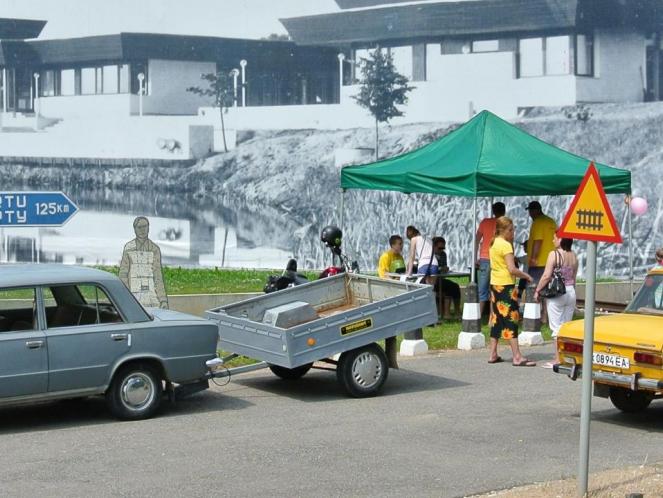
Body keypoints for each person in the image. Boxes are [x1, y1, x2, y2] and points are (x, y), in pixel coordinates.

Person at [488, 216, 535, 366]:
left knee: (496, 319)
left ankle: (493, 353)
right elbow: (512, 268)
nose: (513, 232)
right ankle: (517, 356)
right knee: (511, 319)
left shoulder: (493, 242)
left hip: (495, 284)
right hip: (506, 285)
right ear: (504, 230)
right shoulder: (506, 245)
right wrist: (526, 275)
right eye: (511, 230)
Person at [534, 233, 578, 368]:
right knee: (566, 326)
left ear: (561, 239)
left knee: (556, 328)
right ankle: (566, 358)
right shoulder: (574, 255)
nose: (553, 240)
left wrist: (538, 290)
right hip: (571, 291)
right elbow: (574, 277)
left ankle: (558, 359)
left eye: (555, 237)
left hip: (557, 293)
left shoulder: (554, 254)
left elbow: (547, 275)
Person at [119, 216, 169, 309]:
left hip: (152, 297)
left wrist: (163, 300)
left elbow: (158, 276)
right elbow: (123, 275)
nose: (143, 230)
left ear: (148, 227)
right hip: (133, 297)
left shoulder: (155, 249)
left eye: (145, 226)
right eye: (139, 227)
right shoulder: (128, 248)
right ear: (135, 229)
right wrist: (127, 297)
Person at [525, 201, 557, 322]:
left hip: (539, 263)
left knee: (535, 289)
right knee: (548, 291)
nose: (530, 214)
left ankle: (535, 317)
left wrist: (533, 258)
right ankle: (545, 316)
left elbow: (538, 241)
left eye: (530, 211)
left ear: (535, 211)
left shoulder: (538, 222)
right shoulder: (551, 221)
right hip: (552, 261)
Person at [377, 235, 404, 368]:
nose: (401, 246)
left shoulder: (399, 257)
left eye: (402, 244)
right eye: (399, 244)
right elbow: (383, 275)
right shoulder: (386, 257)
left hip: (396, 292)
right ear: (392, 245)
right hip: (386, 291)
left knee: (393, 332)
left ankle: (392, 361)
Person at [476, 202, 506, 316]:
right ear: (504, 211)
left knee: (482, 289)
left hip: (484, 258)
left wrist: (475, 258)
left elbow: (477, 239)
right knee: (495, 288)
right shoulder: (504, 223)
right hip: (499, 259)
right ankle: (491, 317)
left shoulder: (485, 222)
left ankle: (478, 316)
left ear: (493, 211)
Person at [433, 236, 461, 319]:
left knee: (455, 286)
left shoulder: (443, 254)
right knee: (451, 287)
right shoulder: (429, 255)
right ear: (434, 246)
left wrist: (445, 268)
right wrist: (441, 268)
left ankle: (457, 311)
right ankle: (446, 313)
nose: (442, 250)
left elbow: (444, 266)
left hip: (440, 279)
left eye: (443, 248)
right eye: (440, 248)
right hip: (432, 280)